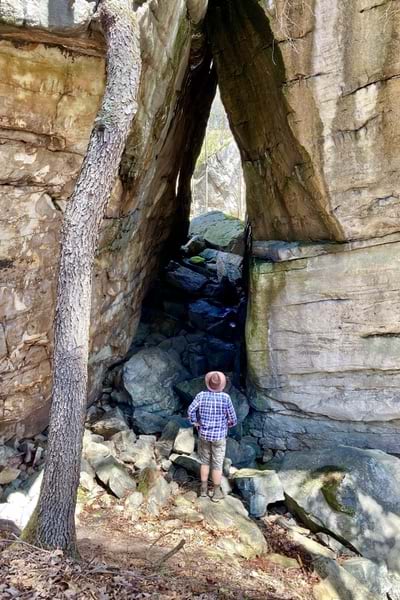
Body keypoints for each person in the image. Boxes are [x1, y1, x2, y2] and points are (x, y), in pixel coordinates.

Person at [187, 371, 237, 501]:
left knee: (204, 462)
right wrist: (227, 424)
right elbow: (233, 419)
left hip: (204, 435)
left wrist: (195, 422)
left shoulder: (201, 396)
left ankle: (203, 490)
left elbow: (190, 410)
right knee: (217, 464)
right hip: (219, 437)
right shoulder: (226, 398)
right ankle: (216, 492)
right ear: (222, 385)